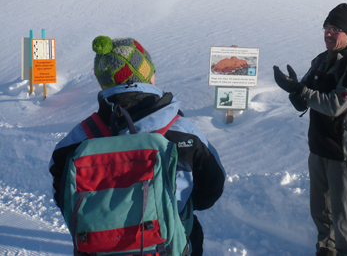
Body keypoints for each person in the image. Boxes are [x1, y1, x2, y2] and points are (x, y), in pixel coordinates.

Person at [49, 36, 225, 256]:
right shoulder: (183, 131)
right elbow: (212, 187)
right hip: (172, 246)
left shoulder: (76, 142)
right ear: (148, 75)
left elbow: (64, 198)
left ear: (104, 84)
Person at [273, 4, 347, 256]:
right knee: (321, 211)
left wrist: (301, 91)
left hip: (345, 151)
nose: (328, 33)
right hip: (318, 146)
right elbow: (304, 97)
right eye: (326, 28)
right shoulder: (321, 59)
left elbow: (335, 105)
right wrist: (294, 90)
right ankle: (325, 250)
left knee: (345, 217)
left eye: (335, 29)